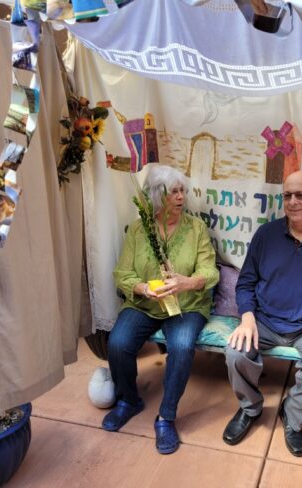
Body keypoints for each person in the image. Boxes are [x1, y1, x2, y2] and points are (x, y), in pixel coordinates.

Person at [222, 170, 302, 457]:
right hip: (264, 320)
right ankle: (250, 408)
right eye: (287, 195)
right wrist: (247, 318)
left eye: (301, 195)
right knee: (235, 353)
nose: (293, 201)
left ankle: (292, 415)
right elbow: (245, 283)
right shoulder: (266, 235)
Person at [103, 164, 219, 455]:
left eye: (182, 191)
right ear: (157, 196)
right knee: (117, 343)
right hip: (145, 304)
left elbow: (210, 271)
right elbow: (122, 273)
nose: (181, 197)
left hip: (186, 305)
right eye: (173, 192)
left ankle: (166, 416)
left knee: (181, 345)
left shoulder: (196, 229)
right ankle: (128, 400)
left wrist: (187, 282)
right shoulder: (139, 229)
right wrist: (144, 288)